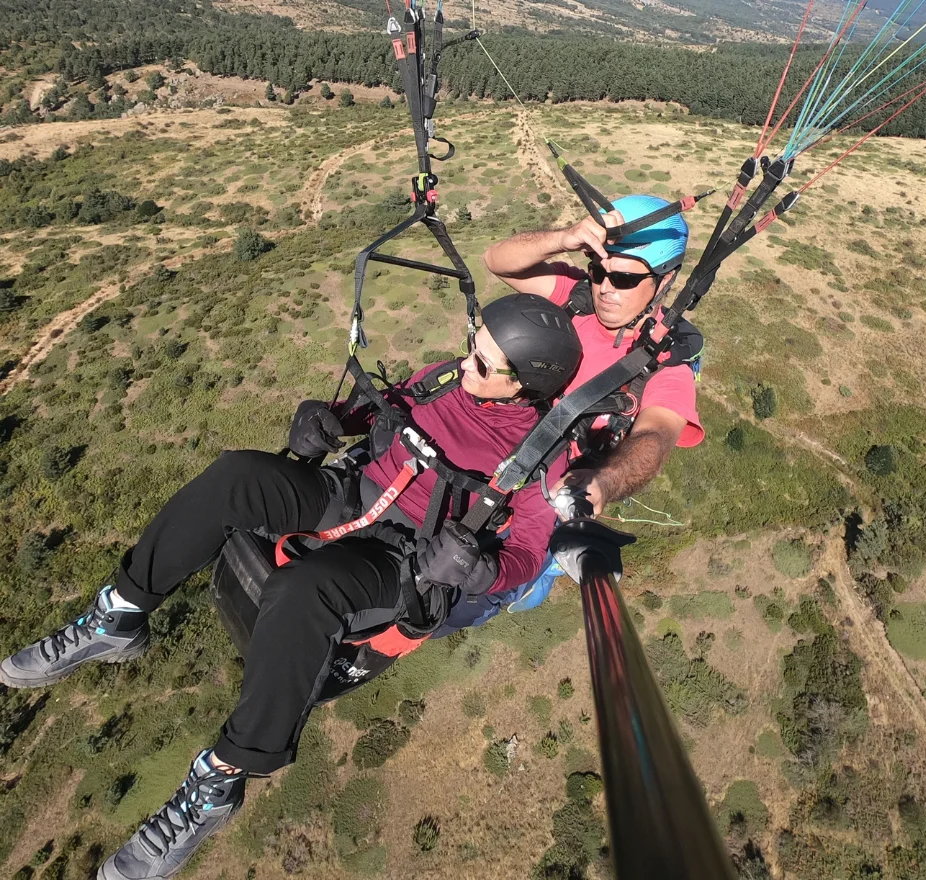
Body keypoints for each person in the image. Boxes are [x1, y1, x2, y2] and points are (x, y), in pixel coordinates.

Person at [0, 293, 582, 880]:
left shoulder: (537, 458)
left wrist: (481, 571)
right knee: (237, 476)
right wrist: (326, 419)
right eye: (472, 346)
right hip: (355, 492)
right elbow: (379, 409)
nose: (468, 365)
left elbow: (529, 552)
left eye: (484, 364)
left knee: (307, 590)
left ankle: (218, 782)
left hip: (410, 555)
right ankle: (119, 616)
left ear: (525, 387)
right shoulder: (444, 378)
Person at [483, 193, 704, 519]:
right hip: (493, 442)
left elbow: (654, 439)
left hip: (543, 491)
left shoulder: (666, 366)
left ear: (665, 279)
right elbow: (496, 261)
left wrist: (604, 481)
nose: (604, 288)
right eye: (598, 271)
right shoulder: (577, 298)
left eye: (624, 279)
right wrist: (563, 239)